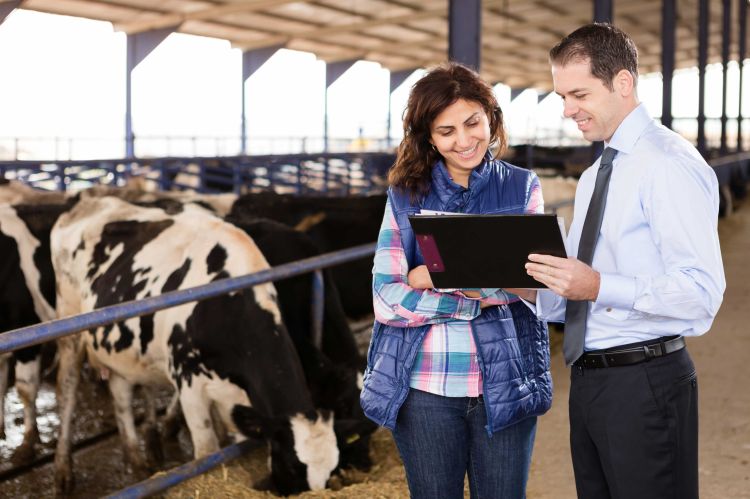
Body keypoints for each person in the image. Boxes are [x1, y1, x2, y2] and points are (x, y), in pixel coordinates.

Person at [510, 23, 726, 499]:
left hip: (644, 383)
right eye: (562, 95)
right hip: (590, 382)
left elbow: (701, 293)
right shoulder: (595, 174)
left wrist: (597, 285)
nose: (567, 110)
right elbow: (583, 291)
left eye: (579, 93)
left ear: (623, 83)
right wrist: (535, 289)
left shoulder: (668, 164)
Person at [359, 62, 552, 499]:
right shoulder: (405, 195)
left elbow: (533, 281)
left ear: (491, 117)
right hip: (424, 386)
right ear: (428, 136)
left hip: (505, 379)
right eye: (446, 131)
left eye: (472, 123)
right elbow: (387, 298)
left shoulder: (523, 188)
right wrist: (472, 299)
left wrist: (428, 275)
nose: (464, 141)